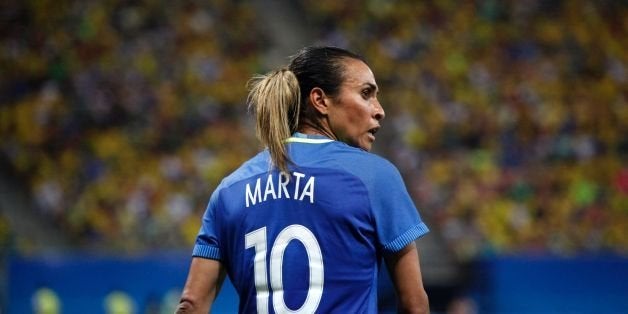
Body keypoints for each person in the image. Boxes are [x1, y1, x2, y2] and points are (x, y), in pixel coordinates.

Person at [175, 46, 430, 313]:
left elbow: (191, 303)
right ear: (320, 100)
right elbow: (415, 303)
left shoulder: (229, 190)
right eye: (366, 93)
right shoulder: (374, 177)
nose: (379, 110)